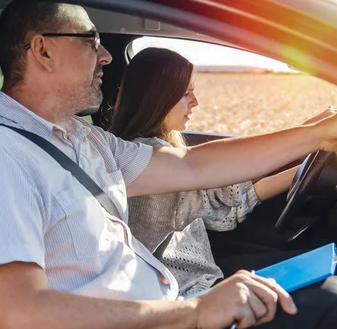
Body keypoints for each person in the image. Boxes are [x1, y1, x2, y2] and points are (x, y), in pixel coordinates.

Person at [0, 0, 337, 329]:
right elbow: (24, 323)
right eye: (91, 40)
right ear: (43, 50)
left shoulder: (80, 140)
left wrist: (315, 134)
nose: (107, 55)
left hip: (158, 320)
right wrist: (194, 311)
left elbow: (194, 167)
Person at [109, 47, 301, 297]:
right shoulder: (150, 160)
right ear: (158, 96)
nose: (195, 102)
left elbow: (222, 216)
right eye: (185, 93)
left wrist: (298, 172)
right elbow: (223, 194)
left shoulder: (161, 150)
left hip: (203, 278)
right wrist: (308, 137)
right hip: (188, 293)